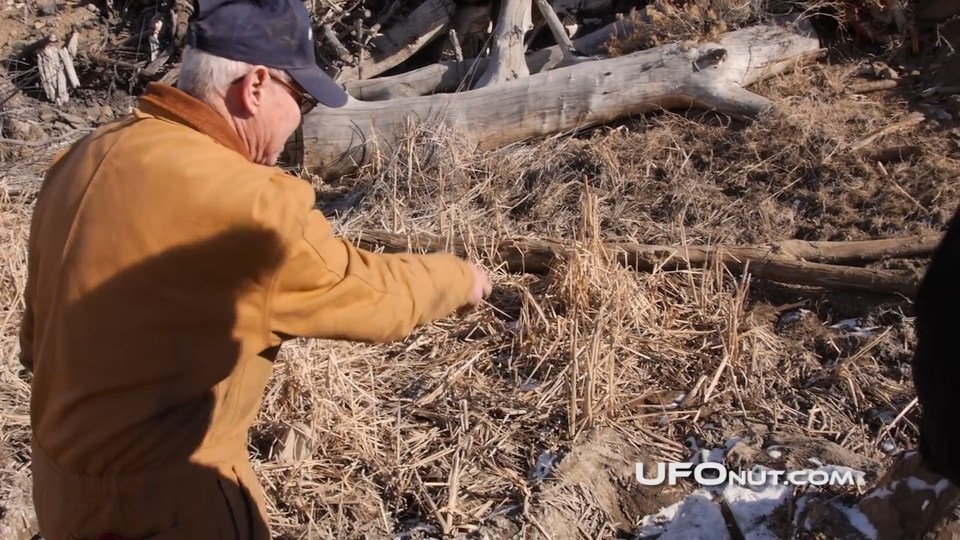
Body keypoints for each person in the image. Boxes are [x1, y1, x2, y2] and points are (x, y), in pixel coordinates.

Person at [16, 0, 491, 538]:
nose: (300, 121)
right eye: (304, 100)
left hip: (62, 499)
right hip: (169, 515)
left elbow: (36, 345)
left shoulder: (82, 158)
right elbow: (372, 296)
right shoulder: (253, 203)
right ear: (256, 85)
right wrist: (458, 276)